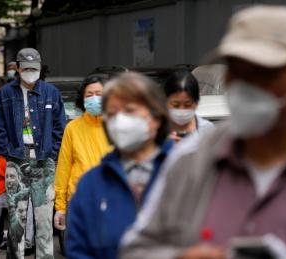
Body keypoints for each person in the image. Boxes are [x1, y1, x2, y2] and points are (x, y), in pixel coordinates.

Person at [119, 6, 286, 259]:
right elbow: (134, 250)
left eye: (263, 74)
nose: (245, 86)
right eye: (236, 70)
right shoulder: (191, 160)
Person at [66, 72, 174, 259]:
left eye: (129, 110)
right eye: (113, 113)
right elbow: (78, 251)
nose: (120, 121)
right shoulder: (90, 186)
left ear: (155, 117)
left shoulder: (184, 172)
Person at [0, 48, 66, 259]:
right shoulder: (5, 94)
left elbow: (61, 126)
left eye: (34, 68)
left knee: (44, 221)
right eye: (26, 68)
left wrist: (52, 151)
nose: (30, 71)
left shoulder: (51, 92)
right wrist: (10, 152)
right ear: (18, 68)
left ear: (40, 68)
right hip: (16, 160)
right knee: (16, 221)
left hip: (44, 161)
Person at [54, 75, 112, 231]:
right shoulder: (72, 128)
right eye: (89, 95)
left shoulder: (118, 126)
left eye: (99, 94)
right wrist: (60, 207)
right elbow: (63, 168)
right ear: (83, 99)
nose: (94, 98)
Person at [164, 70, 213, 142]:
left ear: (196, 102)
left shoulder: (208, 130)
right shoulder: (155, 129)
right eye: (176, 105)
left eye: (187, 105)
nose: (181, 110)